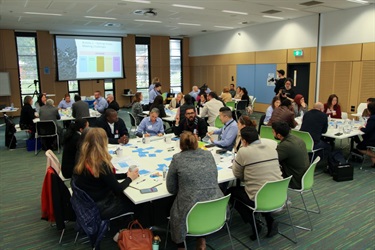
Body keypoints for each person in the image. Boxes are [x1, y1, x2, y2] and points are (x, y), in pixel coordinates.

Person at [166, 131, 223, 250]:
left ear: (180, 145)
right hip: (215, 204)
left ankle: (180, 245)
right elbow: (214, 178)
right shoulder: (208, 154)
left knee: (175, 209)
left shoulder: (177, 158)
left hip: (190, 207)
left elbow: (171, 189)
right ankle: (201, 239)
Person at [73, 128, 139, 220]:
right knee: (138, 202)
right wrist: (130, 178)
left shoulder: (84, 157)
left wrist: (125, 175)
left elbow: (106, 177)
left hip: (88, 203)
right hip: (103, 206)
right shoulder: (101, 164)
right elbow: (118, 189)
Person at [229, 127, 282, 240]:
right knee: (260, 190)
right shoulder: (272, 149)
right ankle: (269, 220)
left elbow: (237, 175)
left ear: (244, 141)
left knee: (231, 193)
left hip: (259, 197)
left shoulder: (244, 151)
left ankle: (255, 225)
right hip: (278, 194)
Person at [272, 121, 309, 189]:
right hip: (305, 177)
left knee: (267, 169)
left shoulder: (285, 146)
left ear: (279, 135)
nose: (272, 133)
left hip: (295, 180)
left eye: (273, 132)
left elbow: (273, 160)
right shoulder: (297, 139)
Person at [356, 102, 375, 167]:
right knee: (367, 145)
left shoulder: (372, 118)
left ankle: (374, 156)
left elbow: (367, 130)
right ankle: (374, 163)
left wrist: (361, 128)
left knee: (359, 147)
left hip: (372, 140)